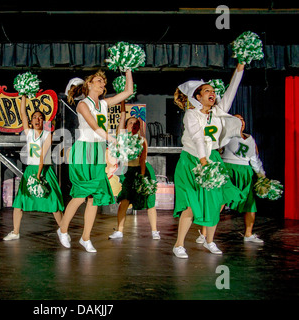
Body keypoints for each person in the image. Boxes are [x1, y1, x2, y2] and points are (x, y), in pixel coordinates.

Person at [172, 63, 245, 258]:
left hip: (212, 158)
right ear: (197, 97)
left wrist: (240, 67)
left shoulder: (218, 112)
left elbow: (231, 91)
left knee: (215, 200)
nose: (212, 93)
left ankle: (210, 241)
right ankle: (179, 244)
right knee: (190, 203)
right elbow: (197, 138)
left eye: (213, 91)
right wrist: (203, 161)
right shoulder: (191, 114)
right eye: (207, 91)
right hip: (191, 160)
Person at [57, 69, 133, 253]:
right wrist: (114, 139)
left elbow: (128, 92)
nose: (103, 84)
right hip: (84, 151)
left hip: (98, 152)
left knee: (94, 198)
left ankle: (85, 238)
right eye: (99, 81)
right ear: (89, 84)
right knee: (81, 194)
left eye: (104, 82)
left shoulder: (104, 104)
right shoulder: (83, 104)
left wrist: (128, 69)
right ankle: (63, 229)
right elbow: (94, 126)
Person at [3, 94, 64, 240]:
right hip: (31, 169)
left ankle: (63, 230)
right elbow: (23, 112)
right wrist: (23, 94)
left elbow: (43, 155)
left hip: (44, 170)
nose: (37, 119)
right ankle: (15, 232)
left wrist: (39, 173)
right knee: (19, 202)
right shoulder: (29, 133)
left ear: (44, 121)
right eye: (35, 117)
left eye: (40, 117)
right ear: (31, 121)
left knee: (53, 202)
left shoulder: (48, 134)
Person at [109, 111, 160, 240]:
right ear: (126, 126)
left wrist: (142, 176)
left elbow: (143, 159)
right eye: (130, 122)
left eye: (135, 123)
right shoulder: (122, 138)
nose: (133, 124)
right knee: (124, 201)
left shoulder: (142, 139)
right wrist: (122, 107)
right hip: (128, 172)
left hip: (143, 171)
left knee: (150, 202)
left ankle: (154, 231)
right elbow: (121, 124)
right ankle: (119, 231)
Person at [220, 114, 265, 243]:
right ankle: (205, 234)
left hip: (245, 172)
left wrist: (261, 175)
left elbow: (255, 159)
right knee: (220, 201)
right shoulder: (225, 136)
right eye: (236, 119)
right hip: (228, 170)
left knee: (250, 204)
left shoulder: (251, 139)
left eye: (242, 119)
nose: (241, 122)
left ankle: (248, 234)